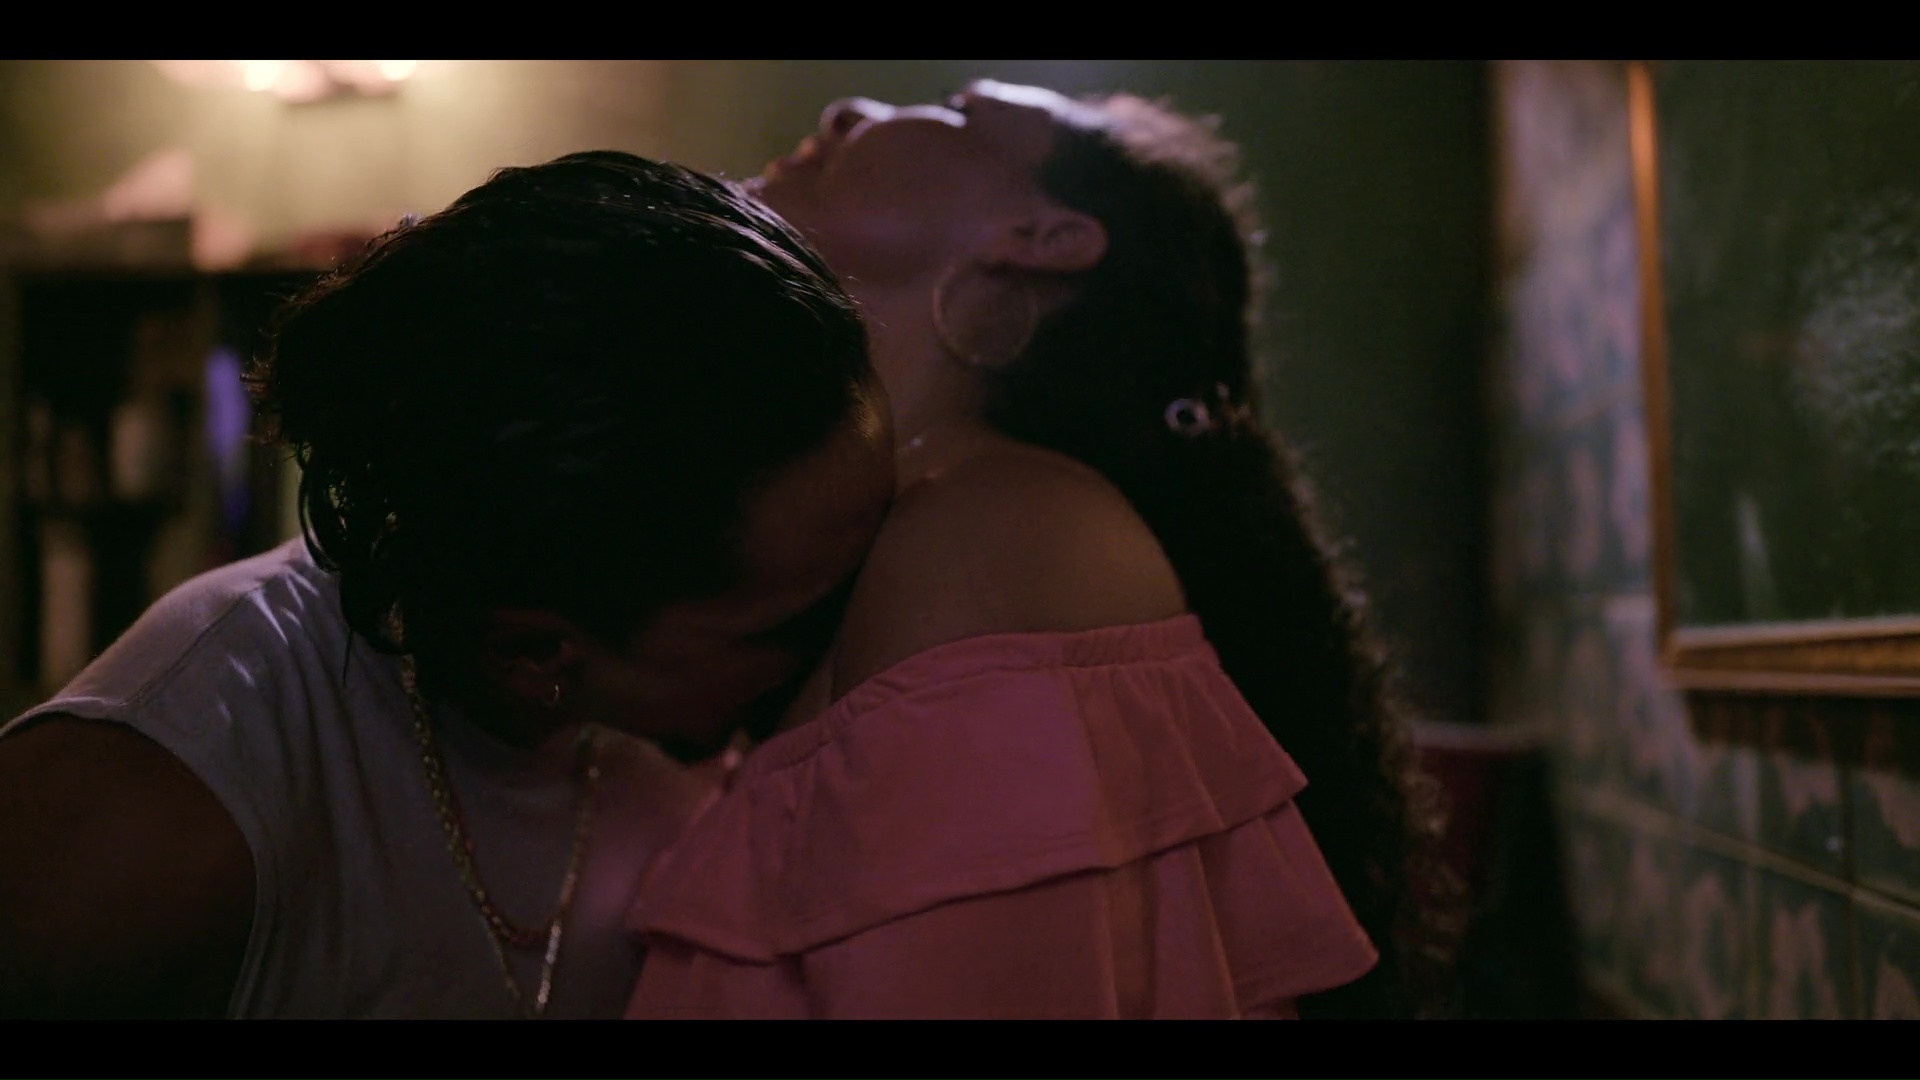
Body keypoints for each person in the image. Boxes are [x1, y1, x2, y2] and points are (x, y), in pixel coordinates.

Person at [624, 83, 1456, 1020]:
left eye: (961, 112)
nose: (850, 110)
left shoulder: (1001, 540)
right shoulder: (883, 537)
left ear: (1042, 238)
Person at [0, 151, 895, 1018]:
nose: (867, 628)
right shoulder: (146, 818)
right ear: (536, 652)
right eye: (795, 621)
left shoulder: (673, 716)